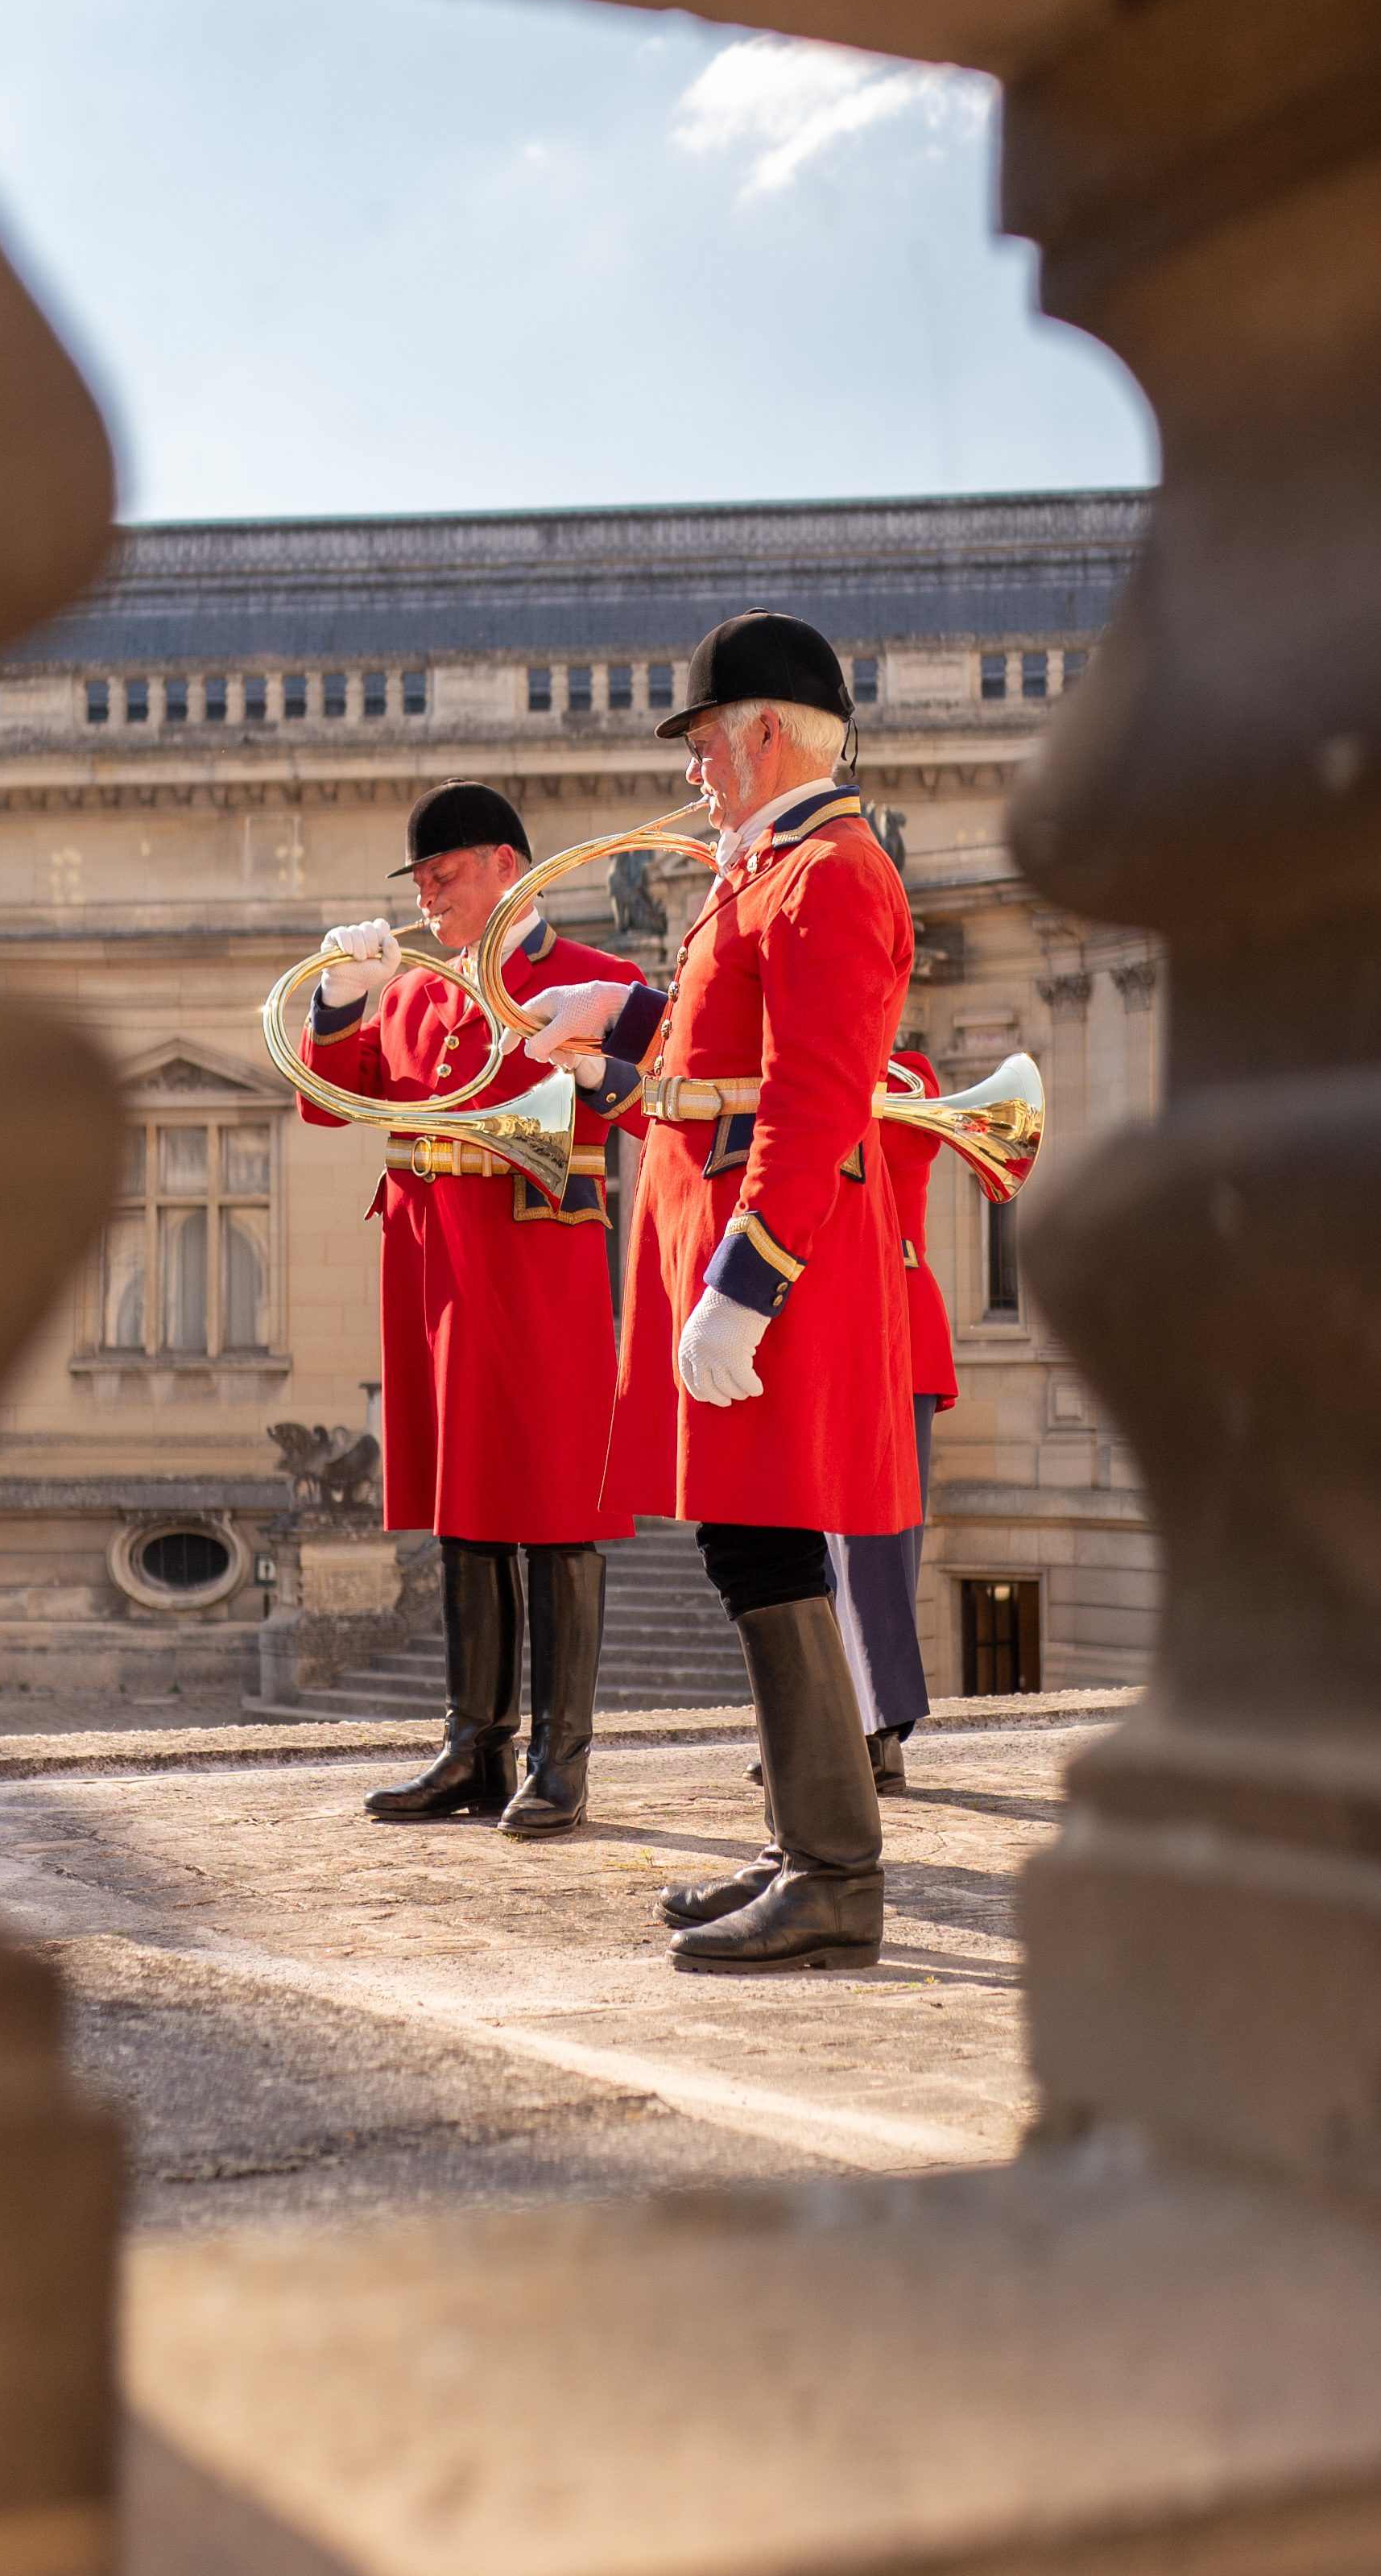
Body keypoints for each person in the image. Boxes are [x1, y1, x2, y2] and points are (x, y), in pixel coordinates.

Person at [524, 614, 917, 1973]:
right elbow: (714, 1046)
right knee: (751, 1540)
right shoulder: (769, 873)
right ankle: (803, 1845)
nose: (693, 768)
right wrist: (612, 1026)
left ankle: (832, 1872)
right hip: (717, 1232)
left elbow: (810, 1102)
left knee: (760, 1543)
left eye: (701, 742)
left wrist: (746, 1286)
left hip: (772, 1254)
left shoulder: (832, 874)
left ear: (760, 731)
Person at [297, 780, 648, 1837]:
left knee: (551, 1508)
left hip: (541, 1262)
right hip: (432, 1267)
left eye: (444, 877)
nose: (430, 900)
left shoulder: (591, 977)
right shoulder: (413, 991)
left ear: (504, 865)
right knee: (463, 1510)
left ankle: (560, 1756)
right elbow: (325, 1097)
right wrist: (343, 996)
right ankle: (472, 1746)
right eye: (421, 883)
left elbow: (660, 1077)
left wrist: (599, 1054)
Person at [825, 1048, 959, 1794]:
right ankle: (824, 1723)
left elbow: (896, 1144)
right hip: (816, 1322)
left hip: (893, 1323)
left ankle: (880, 1733)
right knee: (812, 1542)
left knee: (879, 1540)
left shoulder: (905, 1075)